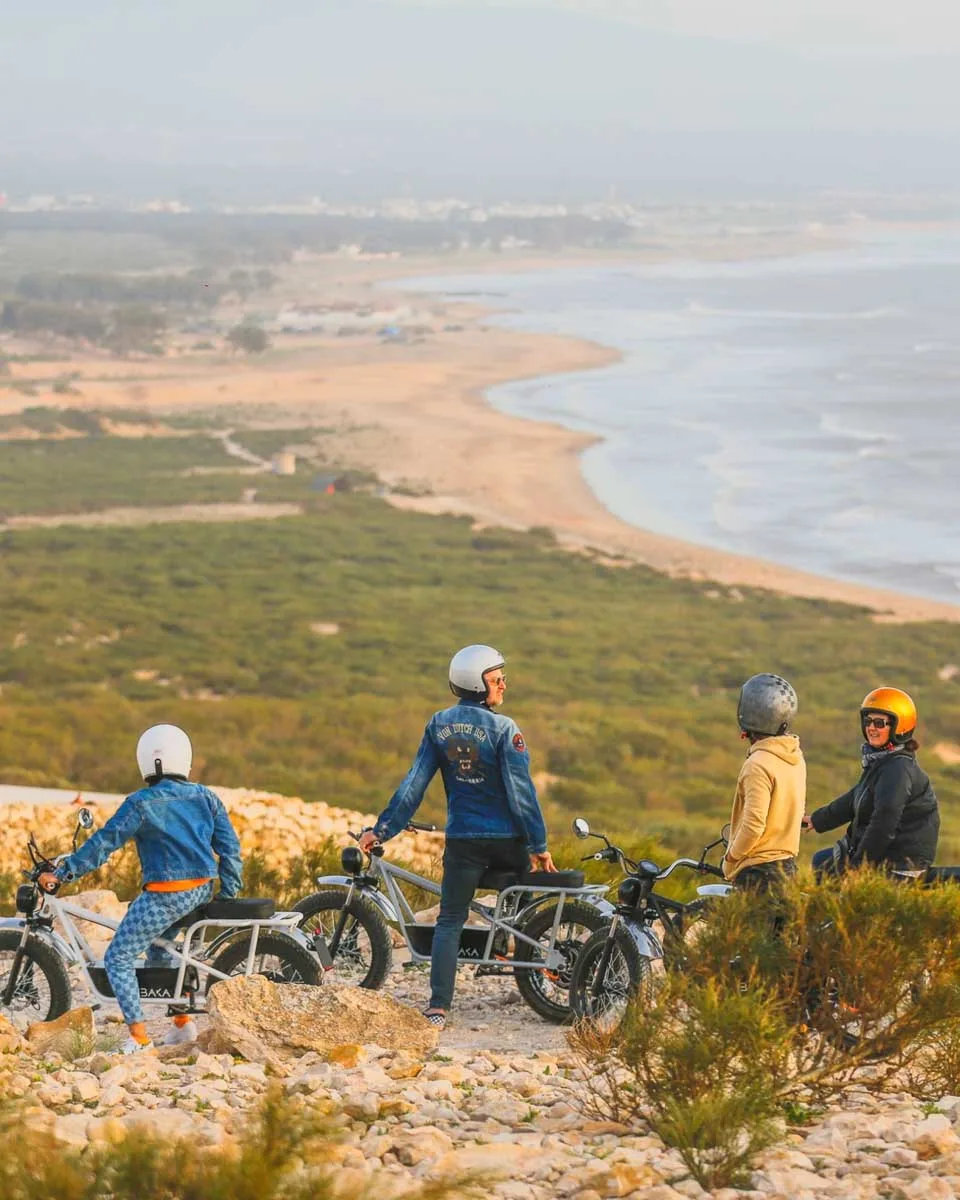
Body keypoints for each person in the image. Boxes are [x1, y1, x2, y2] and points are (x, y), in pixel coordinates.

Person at [359, 644, 556, 1029]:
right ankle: (514, 956)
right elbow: (522, 795)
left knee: (450, 920)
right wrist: (539, 846)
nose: (504, 685)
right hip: (507, 843)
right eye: (498, 678)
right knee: (523, 904)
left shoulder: (438, 725)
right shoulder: (505, 729)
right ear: (479, 683)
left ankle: (438, 1008)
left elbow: (414, 785)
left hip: (464, 842)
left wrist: (381, 830)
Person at [38, 724, 243, 1055]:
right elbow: (230, 848)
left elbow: (105, 842)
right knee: (161, 948)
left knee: (118, 956)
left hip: (166, 895)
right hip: (200, 891)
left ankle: (138, 1038)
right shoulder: (206, 796)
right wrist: (228, 894)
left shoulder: (141, 802)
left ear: (147, 761)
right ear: (184, 759)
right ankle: (181, 1026)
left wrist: (65, 872)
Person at [803, 687, 938, 878]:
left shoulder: (897, 770)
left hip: (899, 865)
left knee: (826, 868)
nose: (871, 727)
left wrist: (858, 868)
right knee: (821, 861)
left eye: (879, 723)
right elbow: (856, 797)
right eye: (868, 721)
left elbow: (883, 825)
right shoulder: (882, 760)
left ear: (899, 727)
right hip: (885, 856)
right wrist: (818, 820)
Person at [722, 673, 806, 892]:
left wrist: (732, 856)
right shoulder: (795, 755)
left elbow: (753, 825)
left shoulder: (757, 764)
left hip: (758, 875)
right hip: (787, 871)